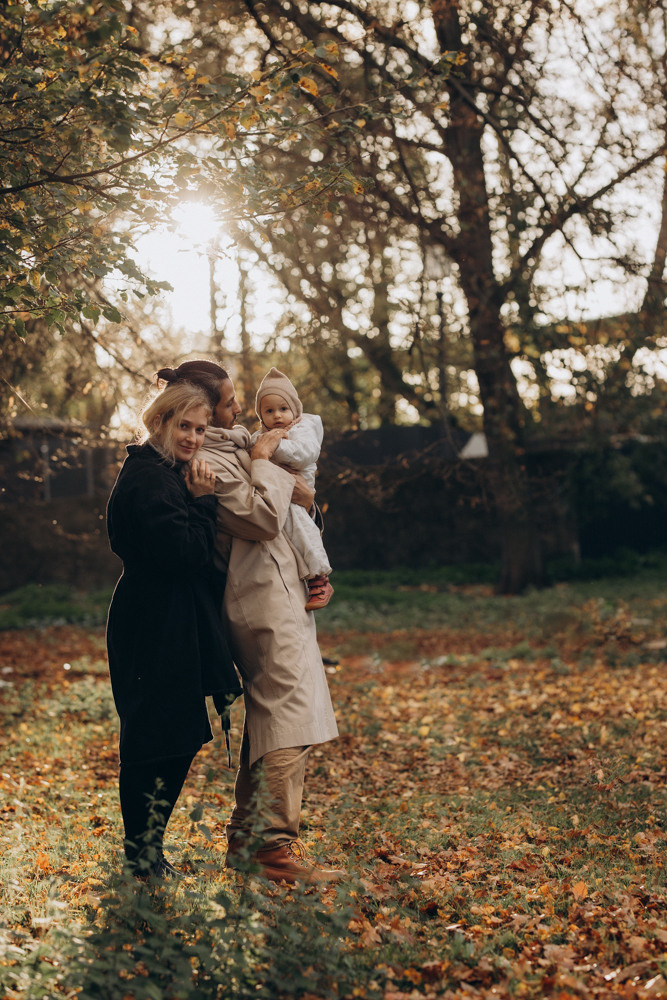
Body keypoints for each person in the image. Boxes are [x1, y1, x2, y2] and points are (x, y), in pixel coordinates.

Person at [161, 359, 343, 884]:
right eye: (228, 401)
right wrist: (264, 459)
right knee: (290, 714)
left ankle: (250, 841)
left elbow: (293, 501)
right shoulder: (209, 456)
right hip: (256, 597)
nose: (239, 408)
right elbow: (260, 518)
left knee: (285, 713)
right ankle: (268, 850)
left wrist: (311, 531)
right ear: (202, 408)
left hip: (282, 588)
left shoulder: (237, 440)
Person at [106, 375, 241, 879]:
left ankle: (148, 851)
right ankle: (142, 856)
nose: (193, 437)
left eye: (201, 429)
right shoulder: (148, 477)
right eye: (183, 425)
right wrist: (204, 502)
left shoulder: (163, 472)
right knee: (153, 738)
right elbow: (185, 554)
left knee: (176, 735)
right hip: (151, 622)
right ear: (159, 421)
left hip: (167, 617)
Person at [250, 367, 333, 611]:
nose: (277, 416)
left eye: (283, 409)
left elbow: (305, 454)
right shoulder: (262, 435)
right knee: (288, 533)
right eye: (269, 411)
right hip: (279, 491)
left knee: (303, 529)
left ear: (294, 410)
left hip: (298, 486)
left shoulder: (303, 429)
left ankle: (320, 577)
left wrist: (273, 446)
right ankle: (307, 577)